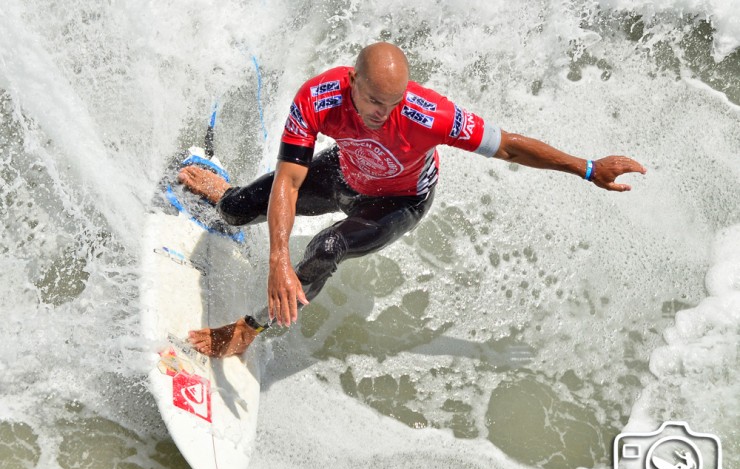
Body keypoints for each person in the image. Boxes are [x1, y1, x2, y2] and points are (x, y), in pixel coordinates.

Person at [179, 42, 646, 358]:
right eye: (374, 102)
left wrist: (586, 168)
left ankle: (249, 329)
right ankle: (224, 195)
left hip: (398, 202)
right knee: (234, 210)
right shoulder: (318, 98)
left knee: (325, 249)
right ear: (352, 83)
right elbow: (289, 179)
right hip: (343, 173)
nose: (385, 114)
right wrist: (276, 256)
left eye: (394, 102)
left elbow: (510, 145)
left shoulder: (429, 115)